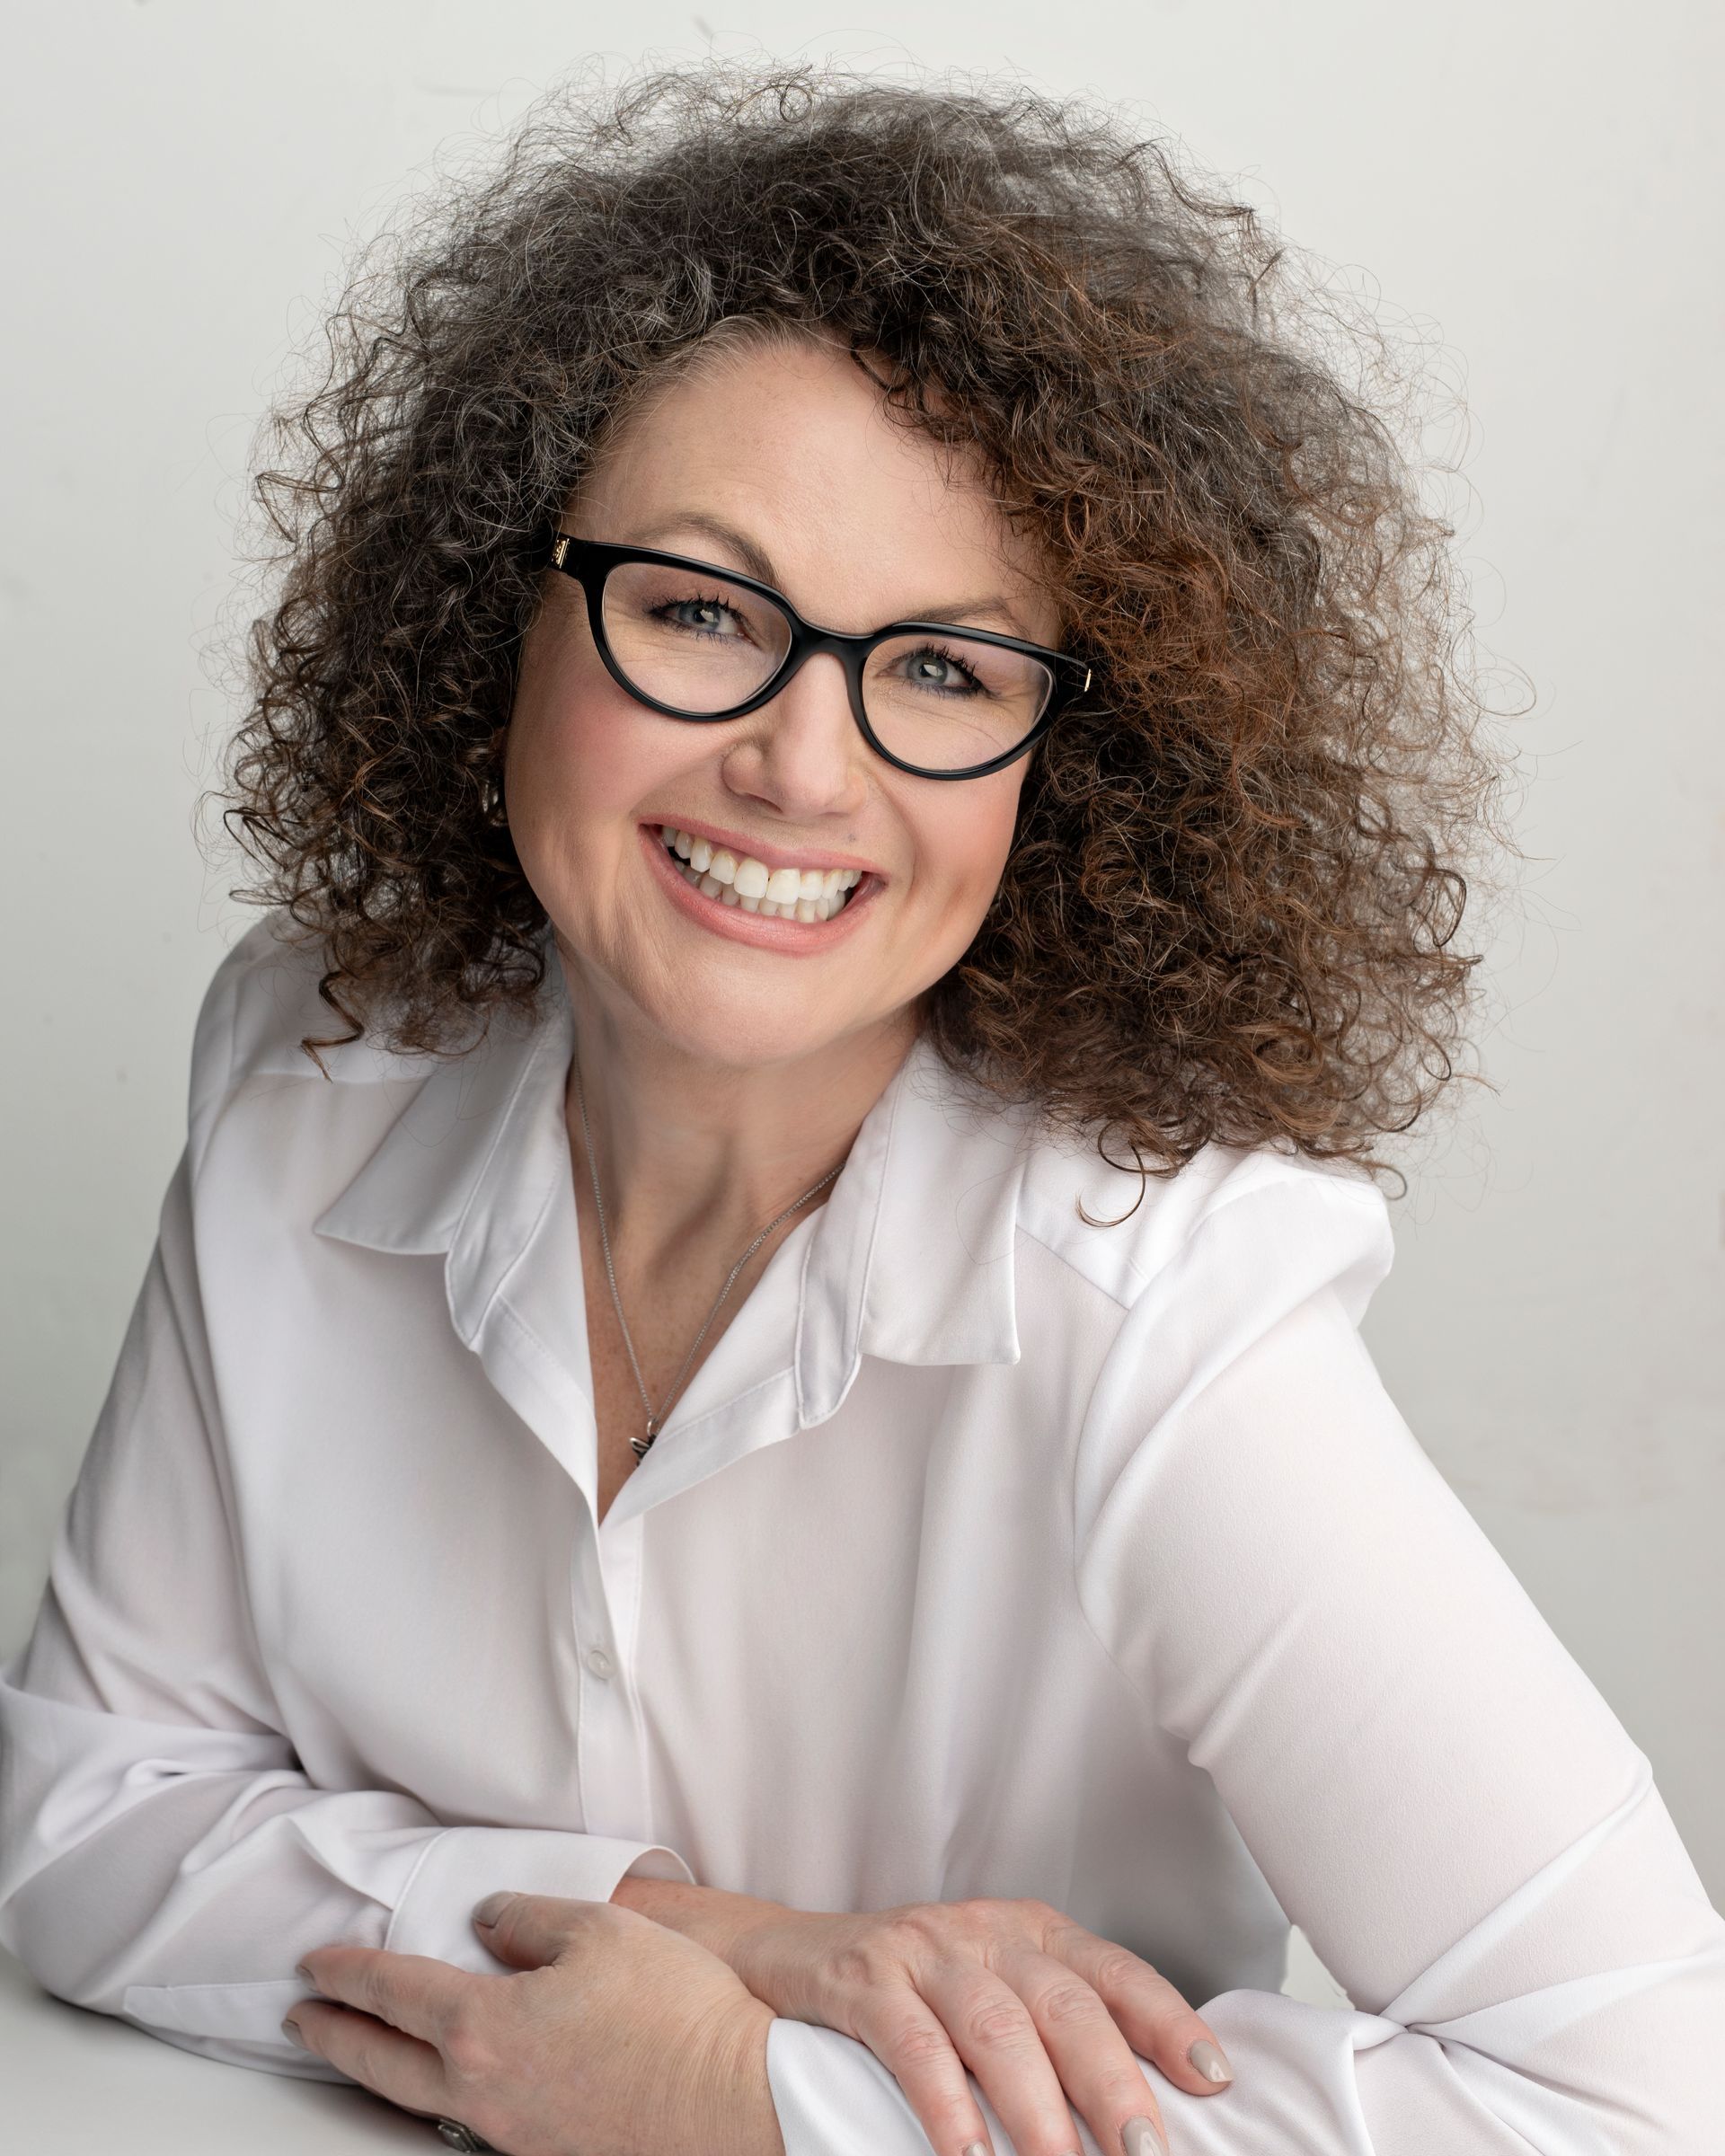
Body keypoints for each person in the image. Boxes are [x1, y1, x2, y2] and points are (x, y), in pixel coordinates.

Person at [1, 60, 1719, 2156]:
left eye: (943, 670)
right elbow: (88, 1811)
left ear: (1059, 767)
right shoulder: (311, 1069)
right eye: (701, 611)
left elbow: (1645, 2095)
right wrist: (725, 1942)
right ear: (498, 619)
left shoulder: (1157, 1301)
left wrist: (762, 2104)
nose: (804, 772)